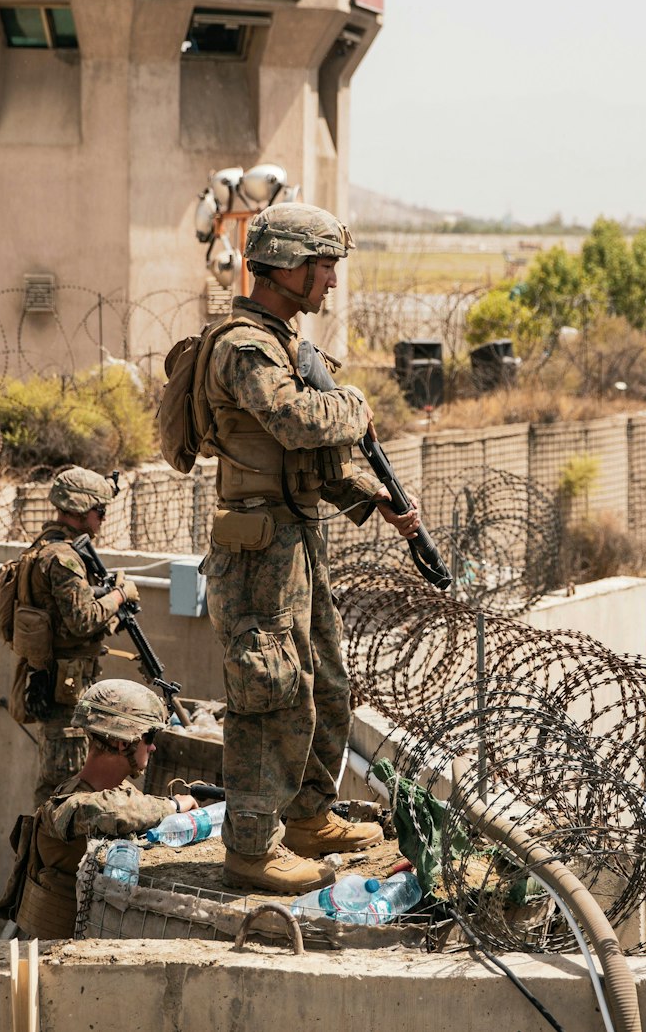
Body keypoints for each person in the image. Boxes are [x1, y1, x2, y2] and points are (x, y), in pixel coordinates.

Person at [197, 202, 423, 892]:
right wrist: (357, 405)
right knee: (270, 691)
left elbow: (308, 462)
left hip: (294, 538)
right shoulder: (245, 346)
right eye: (324, 266)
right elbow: (298, 423)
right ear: (290, 265)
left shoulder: (284, 339)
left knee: (325, 681)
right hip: (258, 546)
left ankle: (307, 816)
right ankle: (252, 848)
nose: (331, 281)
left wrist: (367, 496)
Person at [0, 679, 201, 940]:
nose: (153, 747)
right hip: (48, 961)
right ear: (124, 743)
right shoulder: (68, 806)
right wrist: (173, 805)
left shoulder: (122, 793)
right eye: (149, 737)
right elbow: (111, 813)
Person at [6, 467, 141, 810]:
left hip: (57, 681)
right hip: (63, 689)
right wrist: (120, 596)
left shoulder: (42, 548)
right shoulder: (63, 557)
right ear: (82, 512)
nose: (103, 520)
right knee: (62, 789)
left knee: (59, 785)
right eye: (100, 511)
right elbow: (83, 620)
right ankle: (49, 860)